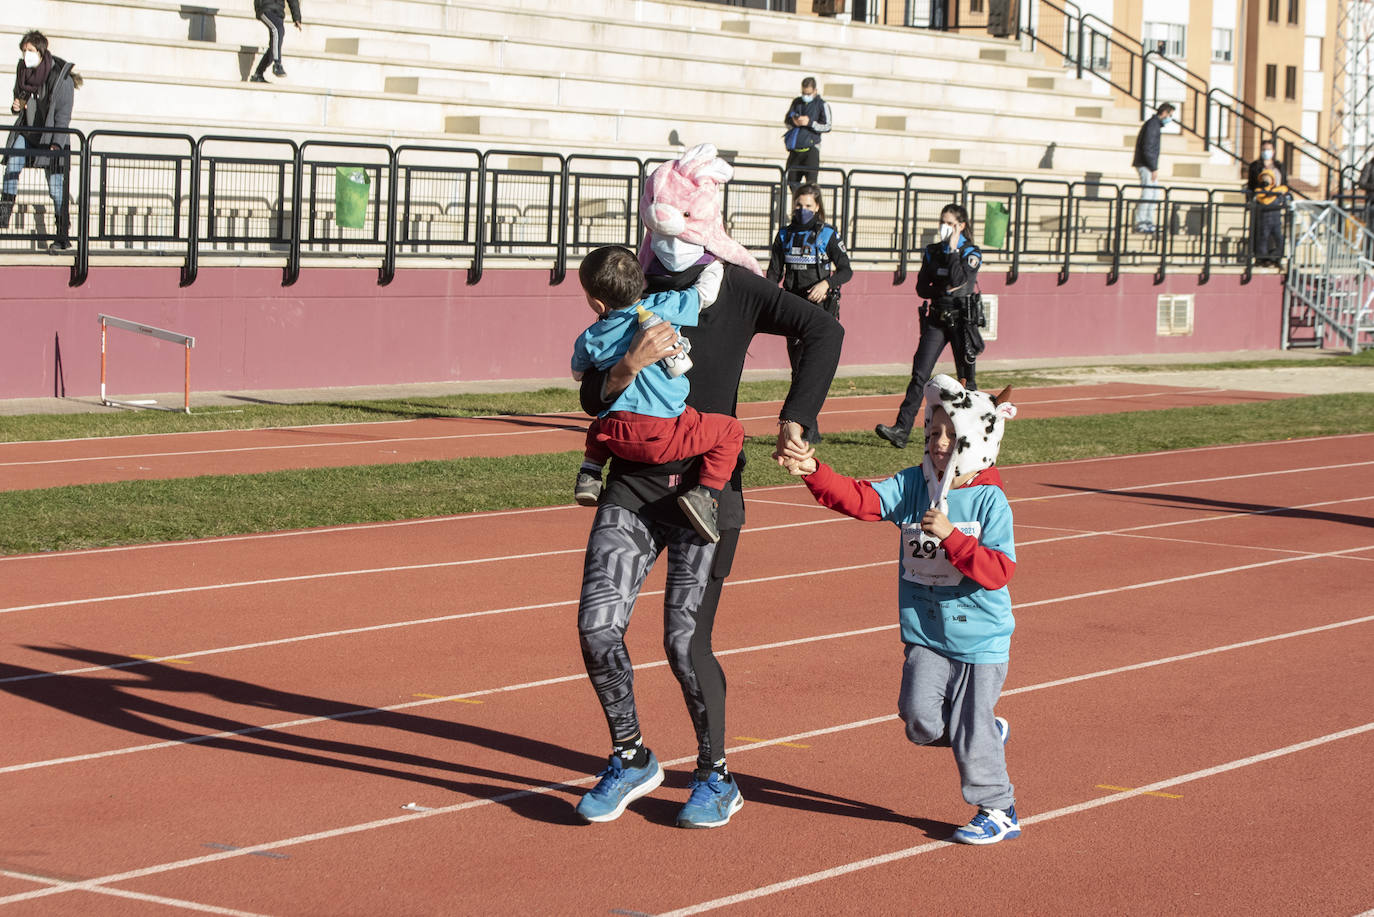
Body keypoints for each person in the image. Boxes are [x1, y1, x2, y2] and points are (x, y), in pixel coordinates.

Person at [572, 241, 842, 830]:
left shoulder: (738, 287)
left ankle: (715, 775)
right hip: (634, 486)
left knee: (683, 643)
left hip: (707, 492)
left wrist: (797, 416)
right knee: (596, 628)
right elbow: (593, 396)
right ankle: (630, 757)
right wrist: (628, 364)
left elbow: (823, 330)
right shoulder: (634, 284)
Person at [786, 374, 1020, 844]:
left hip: (980, 640)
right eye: (932, 433)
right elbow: (866, 500)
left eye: (951, 435)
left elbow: (999, 572)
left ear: (976, 441)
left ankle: (998, 807)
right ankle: (984, 731)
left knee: (971, 732)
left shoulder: (991, 500)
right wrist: (814, 469)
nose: (938, 443)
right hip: (926, 633)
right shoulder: (914, 484)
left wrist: (952, 537)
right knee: (919, 721)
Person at [571, 247, 740, 544]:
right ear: (643, 283)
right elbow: (704, 293)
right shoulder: (663, 306)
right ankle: (706, 494)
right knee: (731, 431)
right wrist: (716, 263)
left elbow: (578, 374)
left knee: (599, 424)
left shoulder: (589, 337)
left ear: (597, 304)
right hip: (662, 435)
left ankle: (590, 472)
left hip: (616, 435)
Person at [875, 203, 984, 449]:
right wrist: (944, 288)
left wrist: (954, 252)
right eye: (942, 222)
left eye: (949, 223)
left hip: (962, 321)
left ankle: (973, 431)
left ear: (961, 226)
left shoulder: (971, 252)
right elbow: (922, 288)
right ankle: (902, 429)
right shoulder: (933, 251)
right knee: (920, 374)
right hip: (936, 318)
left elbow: (959, 280)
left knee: (967, 379)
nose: (944, 227)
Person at [766, 182, 851, 440]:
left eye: (808, 206)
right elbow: (773, 273)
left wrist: (827, 283)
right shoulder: (784, 235)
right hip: (794, 307)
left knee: (812, 368)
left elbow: (846, 270)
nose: (803, 210)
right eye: (799, 205)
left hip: (820, 309)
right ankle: (804, 425)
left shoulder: (827, 234)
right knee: (798, 369)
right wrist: (768, 299)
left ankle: (807, 428)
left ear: (817, 207)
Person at [3, 31, 80, 254]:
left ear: (41, 51)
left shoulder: (60, 76)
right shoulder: (23, 71)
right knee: (12, 166)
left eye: (30, 51)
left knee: (56, 188)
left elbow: (63, 115)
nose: (26, 55)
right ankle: (3, 216)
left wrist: (56, 144)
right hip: (28, 132)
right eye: (24, 50)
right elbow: (19, 96)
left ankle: (62, 234)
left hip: (52, 136)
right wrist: (16, 105)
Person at [1132, 102, 1174, 234]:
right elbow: (1148, 148)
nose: (1170, 118)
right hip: (1146, 164)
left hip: (1149, 164)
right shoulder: (1152, 125)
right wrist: (1153, 167)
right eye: (1170, 115)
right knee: (1148, 192)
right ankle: (1141, 221)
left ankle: (1148, 221)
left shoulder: (1155, 125)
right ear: (1164, 113)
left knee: (1154, 193)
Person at [783, 77, 831, 192]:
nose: (806, 96)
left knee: (811, 186)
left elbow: (827, 126)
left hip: (811, 149)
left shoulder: (821, 105)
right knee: (791, 182)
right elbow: (787, 120)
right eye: (804, 93)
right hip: (796, 149)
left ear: (815, 91)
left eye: (808, 93)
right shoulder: (797, 102)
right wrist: (794, 121)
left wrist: (810, 123)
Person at [250, 0, 303, 84]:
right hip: (265, 7)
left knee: (276, 43)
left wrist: (296, 17)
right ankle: (277, 65)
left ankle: (258, 74)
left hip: (278, 11)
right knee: (277, 30)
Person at [1247, 166, 1290, 268]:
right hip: (1264, 220)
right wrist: (1271, 193)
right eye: (1264, 178)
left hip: (1276, 221)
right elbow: (1264, 200)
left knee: (1279, 239)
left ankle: (1276, 257)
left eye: (1268, 178)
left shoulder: (1277, 189)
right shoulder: (1259, 191)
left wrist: (1274, 192)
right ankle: (1262, 258)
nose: (1266, 180)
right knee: (1263, 239)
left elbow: (1284, 189)